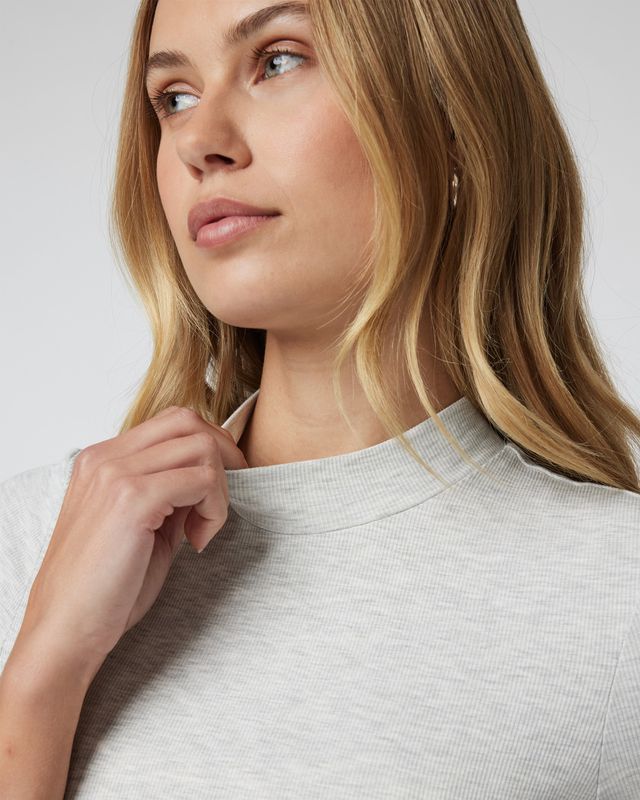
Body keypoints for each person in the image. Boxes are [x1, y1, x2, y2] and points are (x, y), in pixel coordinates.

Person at [1, 0, 639, 797]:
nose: (199, 141)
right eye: (175, 98)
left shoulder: (614, 596)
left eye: (277, 61)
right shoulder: (31, 541)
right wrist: (43, 674)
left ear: (451, 117)